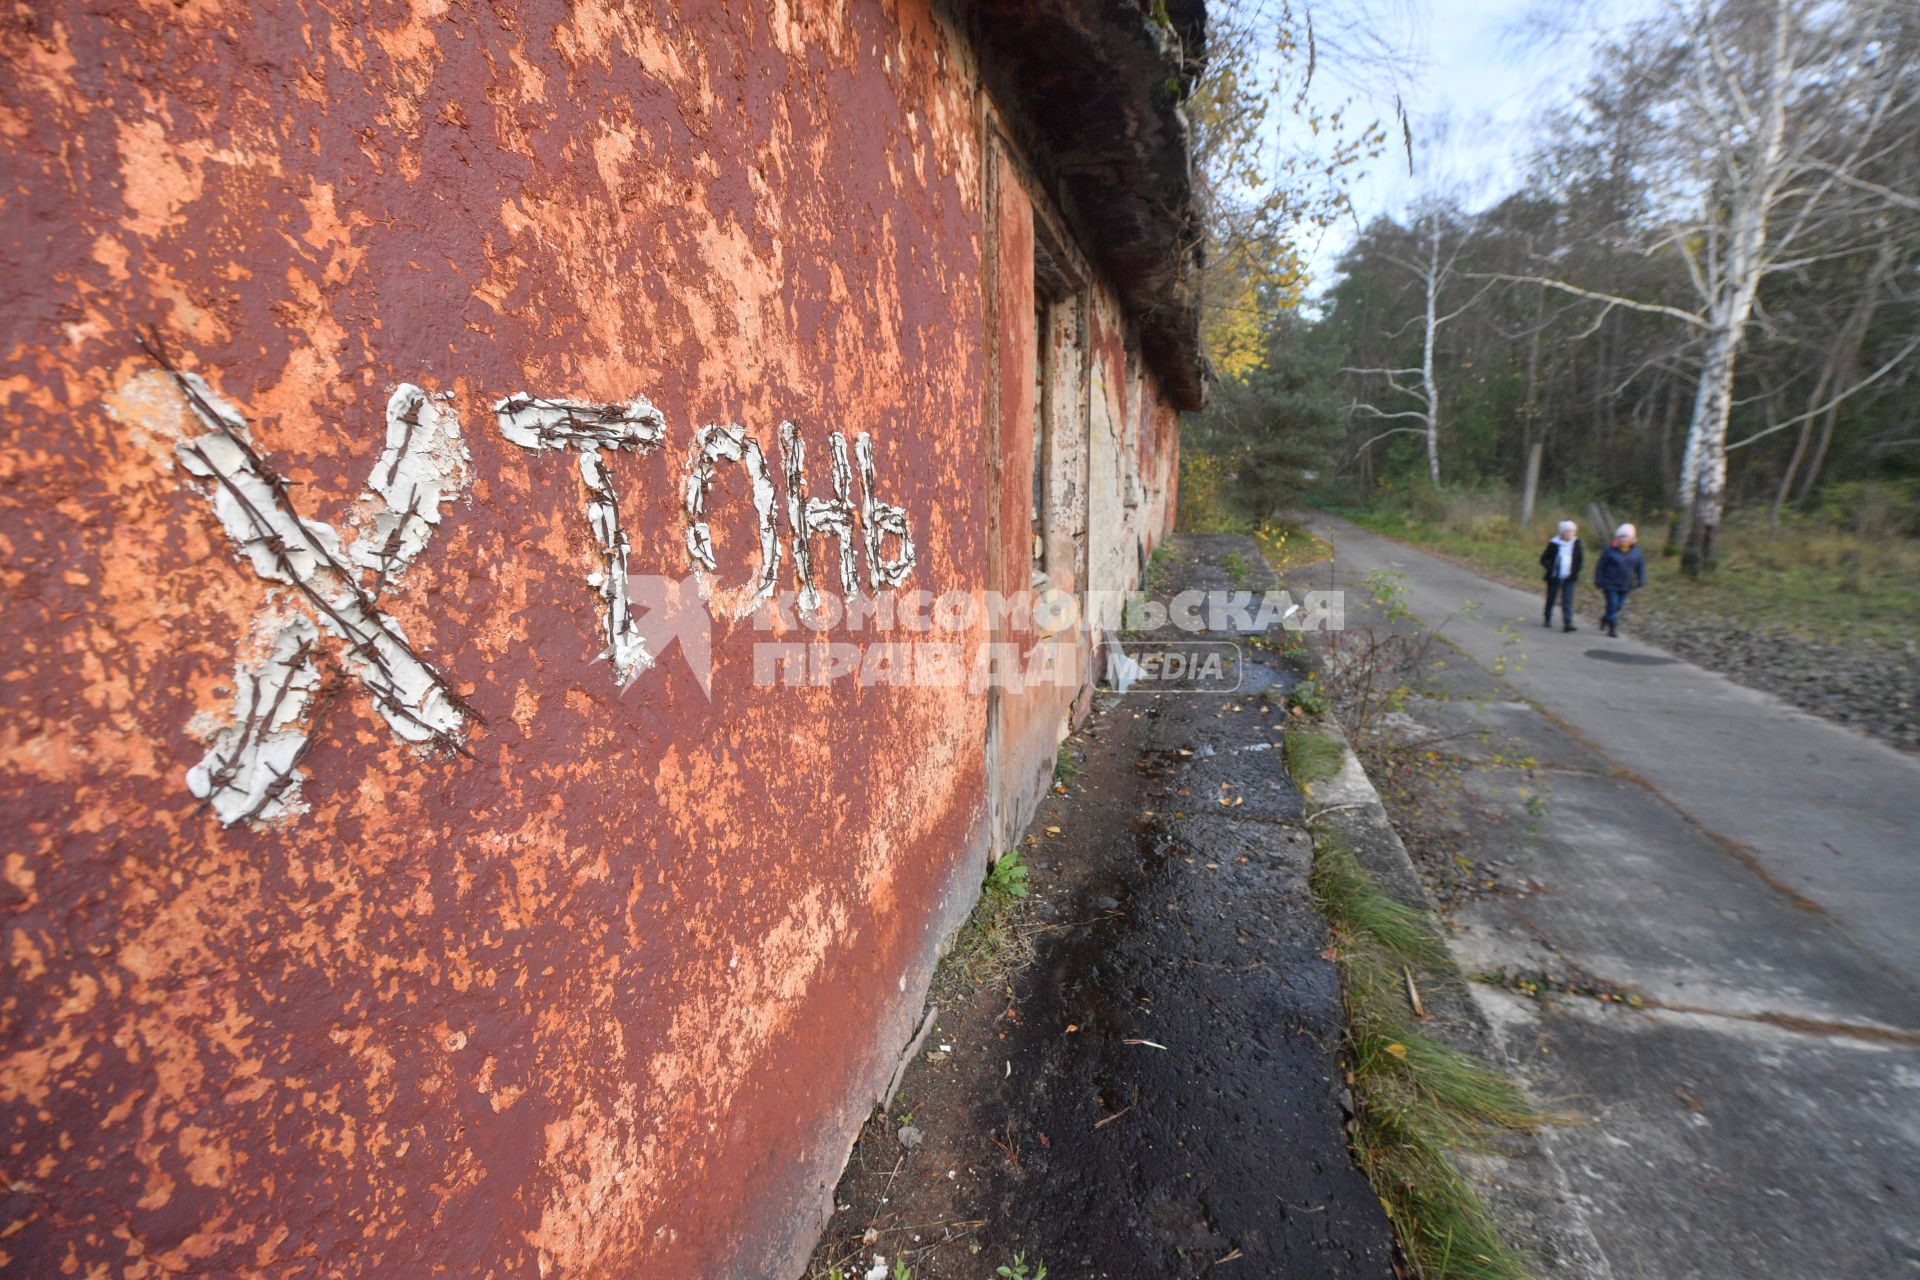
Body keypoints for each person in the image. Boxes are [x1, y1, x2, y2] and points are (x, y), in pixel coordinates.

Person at [1595, 523, 1647, 638]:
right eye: (1622, 537)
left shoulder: (1637, 553)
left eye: (1627, 537)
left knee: (1618, 606)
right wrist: (1599, 582)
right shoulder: (1609, 551)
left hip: (1626, 585)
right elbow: (1600, 567)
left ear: (1632, 539)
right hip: (1610, 584)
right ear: (1618, 538)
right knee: (1612, 604)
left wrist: (1640, 582)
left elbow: (1640, 568)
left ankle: (1605, 619)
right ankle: (1612, 629)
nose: (1624, 539)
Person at [1538, 519, 1583, 632]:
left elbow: (1579, 560)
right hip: (1554, 577)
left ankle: (1568, 622)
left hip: (1569, 577)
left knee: (1567, 600)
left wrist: (1575, 571)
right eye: (1568, 531)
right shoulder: (1554, 543)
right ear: (1562, 533)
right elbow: (1544, 559)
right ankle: (1547, 617)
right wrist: (1552, 568)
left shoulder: (1576, 544)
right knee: (1551, 598)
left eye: (1572, 531)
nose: (1570, 534)